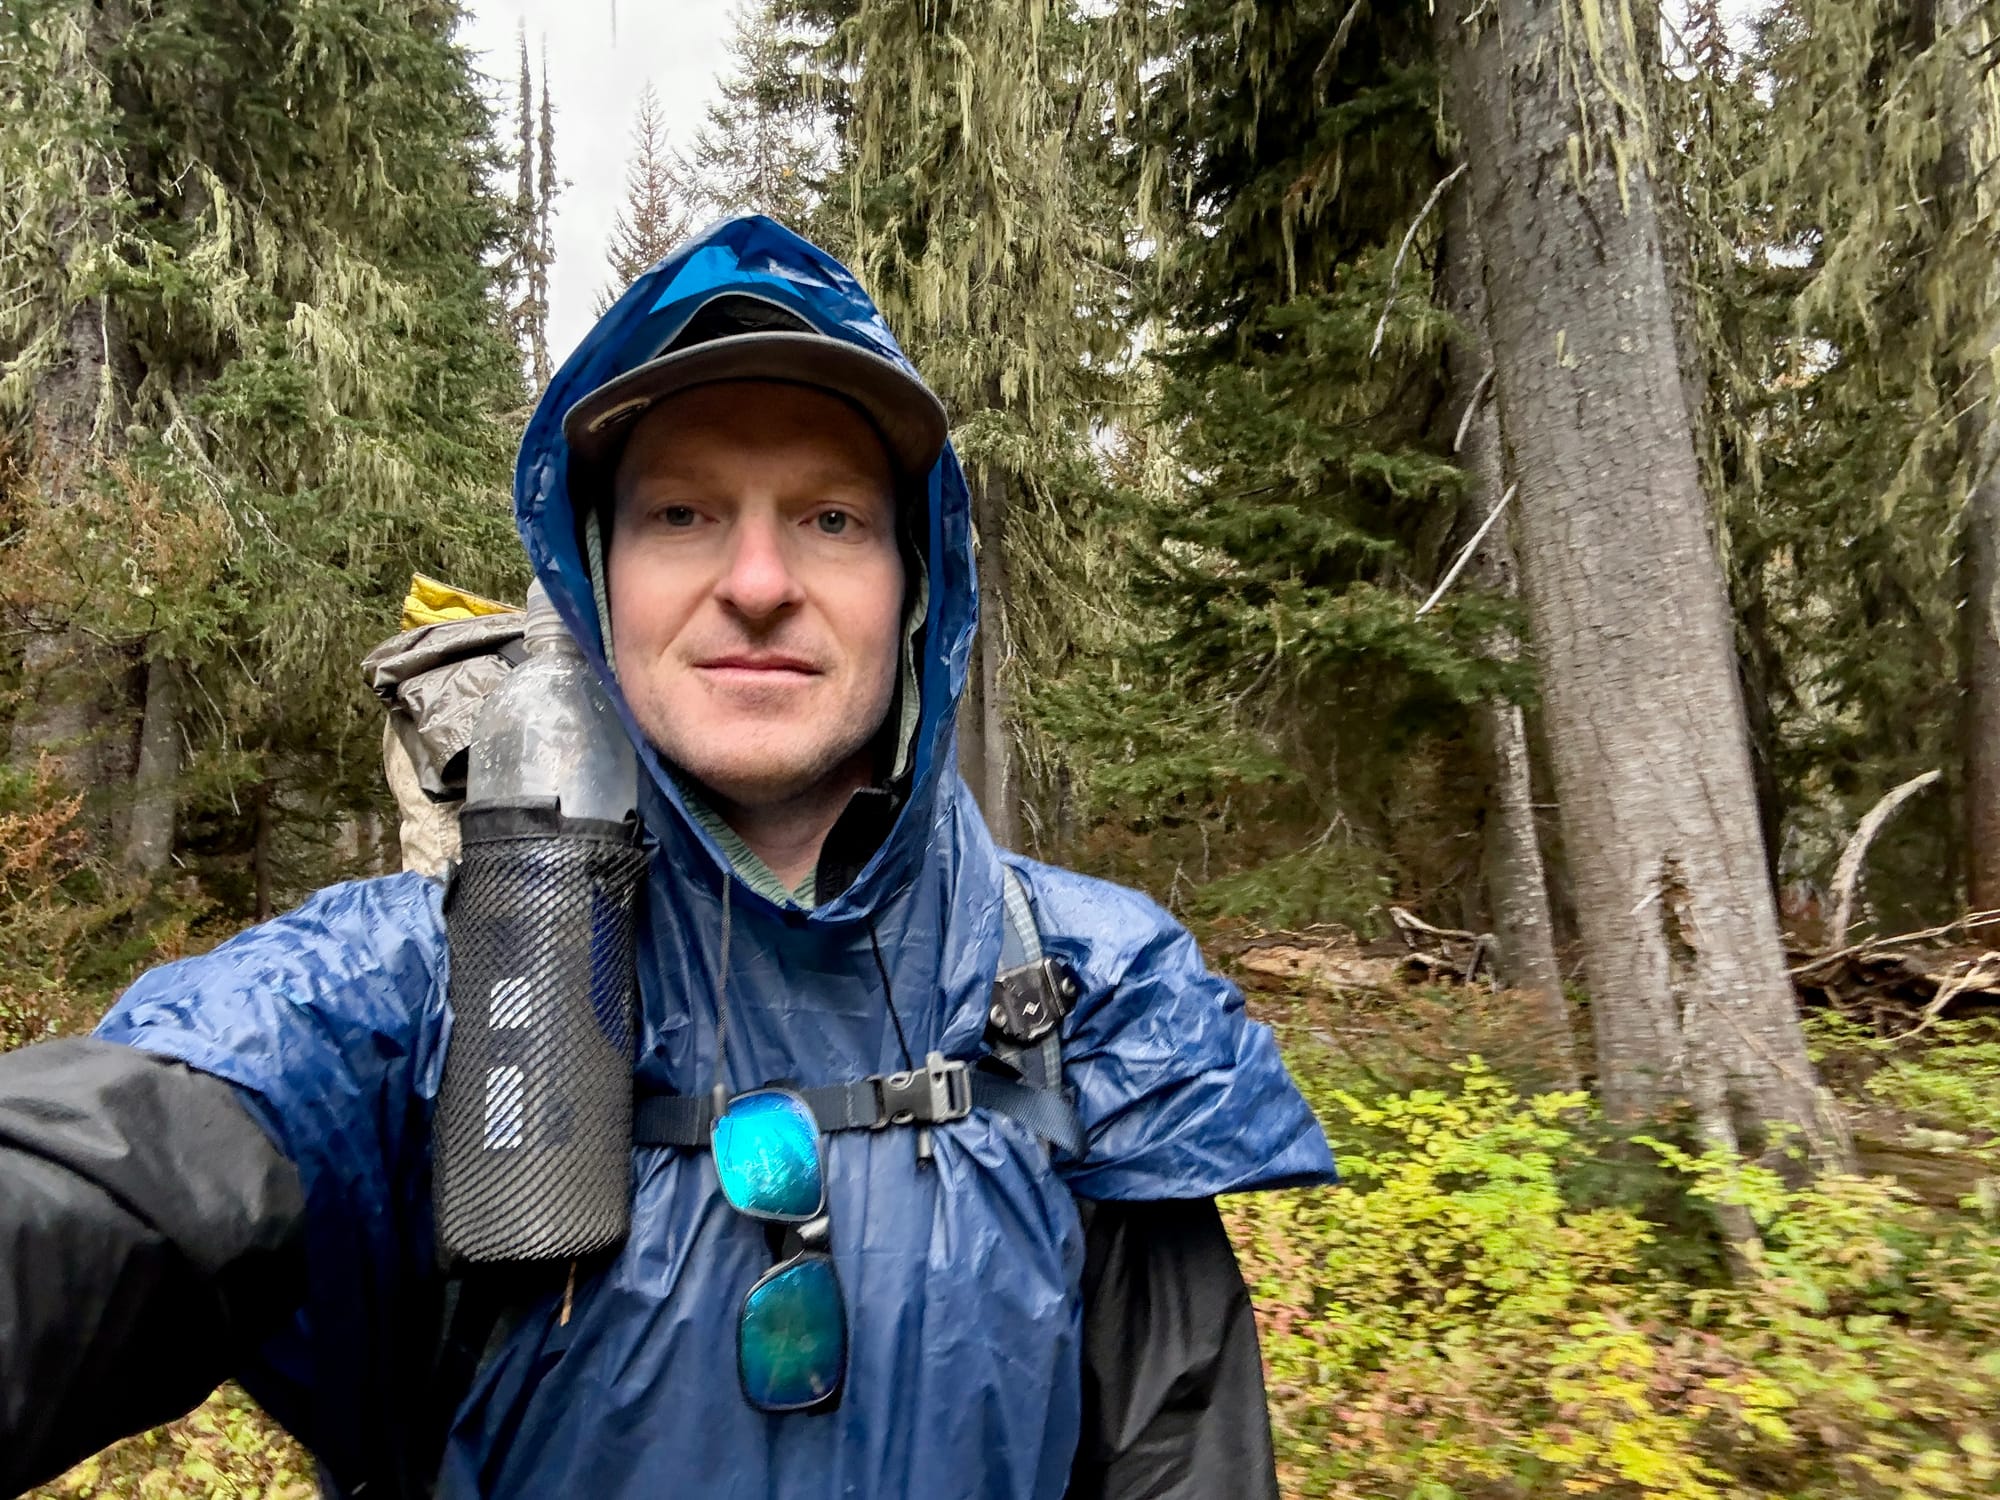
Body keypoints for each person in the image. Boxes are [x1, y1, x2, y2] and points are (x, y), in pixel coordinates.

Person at [0, 216, 1335, 1500]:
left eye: (832, 519)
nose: (756, 581)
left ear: (916, 587)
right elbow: (115, 1171)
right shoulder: (417, 993)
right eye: (683, 514)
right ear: (598, 581)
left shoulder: (1087, 992)